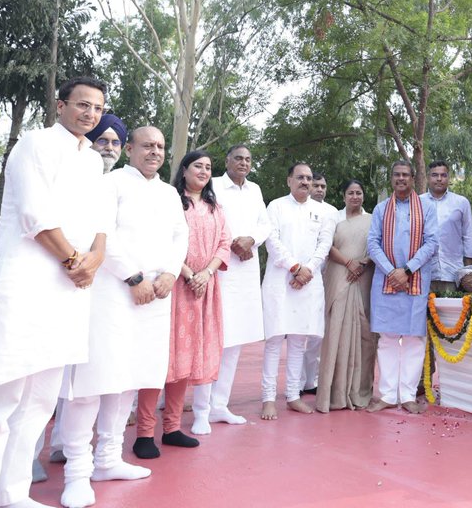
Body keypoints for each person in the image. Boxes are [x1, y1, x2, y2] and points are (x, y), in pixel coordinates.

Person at [0, 77, 109, 508]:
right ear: (61, 105)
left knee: (38, 405)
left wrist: (94, 258)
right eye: (82, 105)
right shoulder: (34, 145)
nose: (90, 114)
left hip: (69, 295)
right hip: (25, 288)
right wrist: (76, 261)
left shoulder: (93, 162)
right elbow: (35, 216)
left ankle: (12, 494)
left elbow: (100, 222)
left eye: (97, 108)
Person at [58, 126, 187, 508]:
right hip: (114, 293)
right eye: (147, 145)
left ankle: (109, 459)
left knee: (131, 378)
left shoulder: (168, 193)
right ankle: (77, 472)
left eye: (161, 146)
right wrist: (132, 277)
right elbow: (101, 236)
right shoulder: (111, 182)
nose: (155, 152)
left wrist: (169, 273)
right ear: (128, 148)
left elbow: (181, 236)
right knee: (96, 381)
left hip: (157, 296)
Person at [35, 112, 129, 480]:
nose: (108, 148)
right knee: (45, 372)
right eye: (102, 140)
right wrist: (77, 261)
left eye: (115, 142)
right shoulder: (72, 170)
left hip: (103, 291)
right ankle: (28, 455)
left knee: (80, 374)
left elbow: (110, 237)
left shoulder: (117, 182)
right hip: (64, 276)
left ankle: (63, 444)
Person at [134, 149, 232, 457]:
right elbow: (165, 241)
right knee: (163, 359)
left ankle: (173, 428)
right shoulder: (171, 202)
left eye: (208, 167)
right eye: (198, 166)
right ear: (184, 170)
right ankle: (144, 433)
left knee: (186, 361)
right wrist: (188, 273)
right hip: (174, 287)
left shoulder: (215, 208)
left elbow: (225, 244)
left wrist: (206, 274)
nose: (204, 171)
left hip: (204, 291)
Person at [195, 144, 271, 425]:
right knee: (213, 340)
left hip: (246, 269)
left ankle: (219, 405)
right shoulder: (212, 186)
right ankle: (201, 411)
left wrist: (251, 239)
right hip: (218, 268)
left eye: (248, 159)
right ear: (226, 161)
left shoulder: (255, 190)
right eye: (238, 158)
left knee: (235, 341)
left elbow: (265, 224)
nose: (243, 163)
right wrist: (233, 243)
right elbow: (205, 221)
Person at [260, 162, 335, 420]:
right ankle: (268, 398)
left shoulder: (323, 212)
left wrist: (308, 270)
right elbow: (272, 241)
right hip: (281, 280)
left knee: (299, 340)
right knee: (273, 340)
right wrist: (294, 267)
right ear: (289, 180)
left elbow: (324, 244)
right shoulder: (276, 206)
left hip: (309, 282)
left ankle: (293, 395)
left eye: (309, 178)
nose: (305, 182)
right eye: (300, 177)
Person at [366, 160, 438, 415]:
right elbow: (372, 243)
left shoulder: (426, 208)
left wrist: (406, 270)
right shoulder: (381, 209)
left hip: (415, 280)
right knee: (386, 338)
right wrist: (392, 272)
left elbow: (431, 243)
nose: (401, 179)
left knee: (413, 339)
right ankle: (386, 394)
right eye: (396, 175)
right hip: (385, 280)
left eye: (405, 175)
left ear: (413, 178)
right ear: (391, 178)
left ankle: (407, 395)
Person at [315, 179, 376, 413]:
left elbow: (377, 245)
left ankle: (359, 392)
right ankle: (334, 393)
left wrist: (362, 263)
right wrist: (348, 263)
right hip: (339, 275)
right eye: (350, 192)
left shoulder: (372, 220)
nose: (355, 196)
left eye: (359, 192)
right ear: (343, 196)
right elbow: (325, 245)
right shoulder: (334, 218)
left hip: (363, 276)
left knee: (363, 332)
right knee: (336, 331)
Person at [301, 171, 338, 395]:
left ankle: (312, 381)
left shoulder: (332, 212)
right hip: (299, 275)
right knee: (297, 333)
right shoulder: (298, 208)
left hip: (325, 278)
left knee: (317, 334)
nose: (319, 189)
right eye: (316, 185)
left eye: (323, 186)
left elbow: (333, 243)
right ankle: (297, 382)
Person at [421, 160, 472, 293]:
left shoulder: (461, 202)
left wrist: (466, 274)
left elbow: (468, 237)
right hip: (423, 274)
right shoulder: (417, 202)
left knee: (453, 313)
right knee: (423, 313)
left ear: (448, 178)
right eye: (434, 175)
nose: (439, 179)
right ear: (428, 178)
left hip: (453, 274)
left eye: (443, 175)